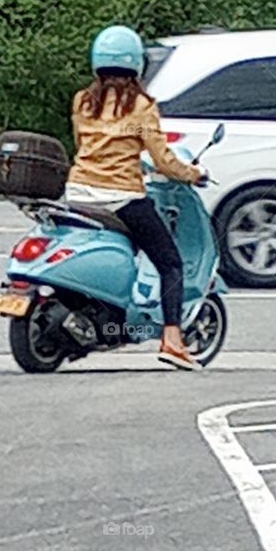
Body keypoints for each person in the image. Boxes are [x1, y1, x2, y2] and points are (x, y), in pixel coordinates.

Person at [66, 25, 207, 370]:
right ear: (136, 65)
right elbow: (164, 161)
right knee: (170, 262)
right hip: (120, 197)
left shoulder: (82, 101)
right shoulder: (142, 107)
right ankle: (173, 339)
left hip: (78, 193)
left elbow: (86, 147)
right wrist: (194, 173)